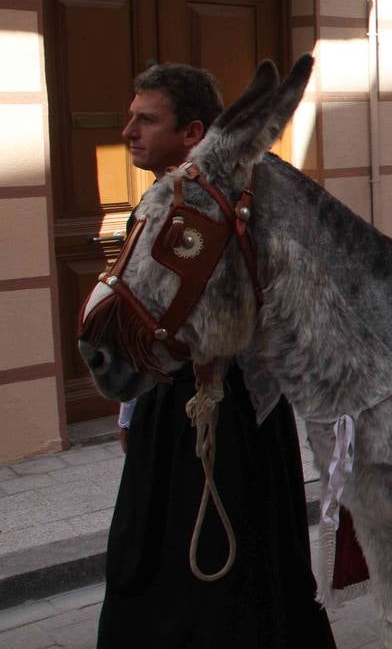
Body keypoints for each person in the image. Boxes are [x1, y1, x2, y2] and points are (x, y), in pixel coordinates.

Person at [101, 65, 335, 648]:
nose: (128, 130)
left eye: (146, 119)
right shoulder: (161, 201)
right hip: (166, 409)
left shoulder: (239, 208)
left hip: (232, 419)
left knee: (235, 571)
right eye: (131, 116)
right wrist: (132, 408)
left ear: (193, 132)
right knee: (149, 552)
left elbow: (294, 298)